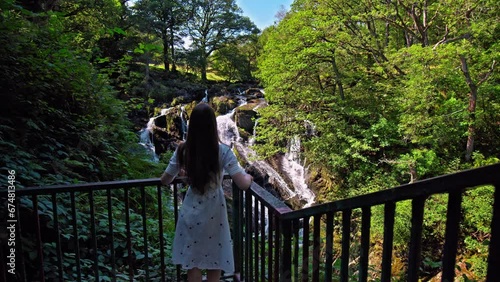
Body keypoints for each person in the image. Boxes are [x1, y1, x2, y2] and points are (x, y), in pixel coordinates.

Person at [160, 103, 252, 282]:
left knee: (192, 262)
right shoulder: (223, 151)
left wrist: (182, 173)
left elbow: (165, 180)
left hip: (191, 210)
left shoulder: (183, 150)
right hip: (214, 212)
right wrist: (248, 177)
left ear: (192, 124)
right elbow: (242, 183)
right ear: (213, 125)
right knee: (214, 261)